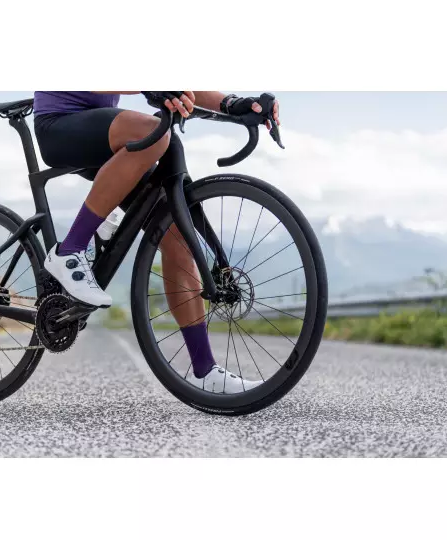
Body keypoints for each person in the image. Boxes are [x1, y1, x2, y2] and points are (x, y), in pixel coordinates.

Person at [34, 91, 280, 393]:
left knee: (176, 239)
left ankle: (206, 371)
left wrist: (233, 103)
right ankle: (70, 250)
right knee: (151, 132)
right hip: (58, 126)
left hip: (103, 136)